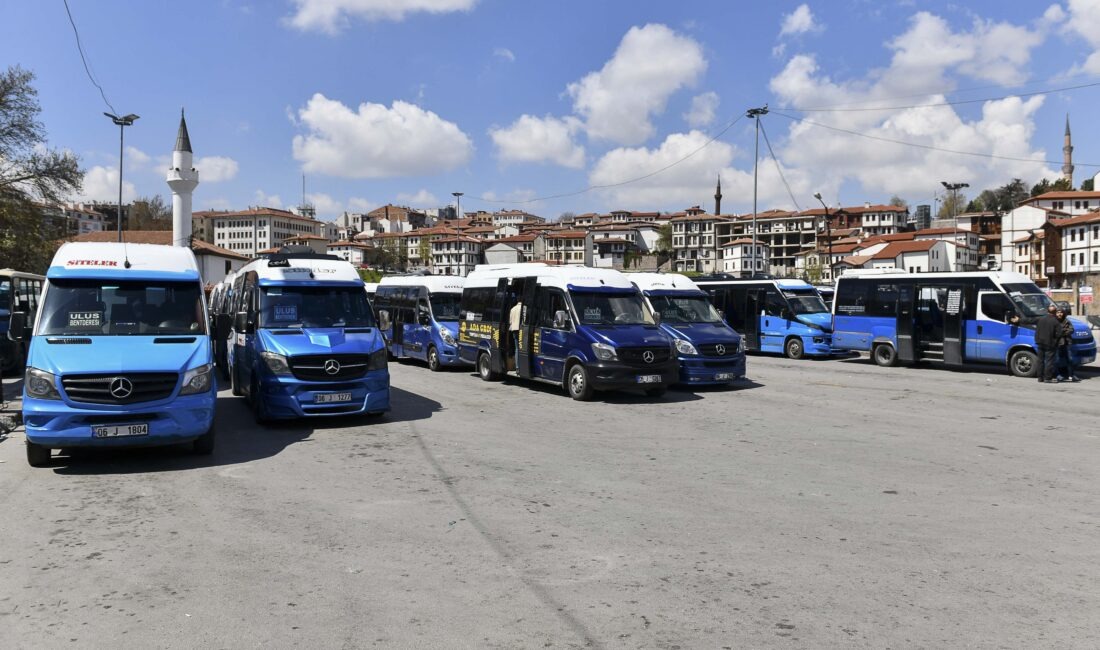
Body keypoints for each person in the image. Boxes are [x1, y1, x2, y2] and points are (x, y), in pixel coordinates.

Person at [1053, 308, 1081, 382]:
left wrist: (1062, 332)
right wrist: (1063, 331)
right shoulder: (1053, 321)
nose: (1060, 314)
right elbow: (1053, 332)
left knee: (1070, 359)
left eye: (1061, 312)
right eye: (1058, 312)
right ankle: (1057, 375)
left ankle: (1071, 375)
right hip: (1058, 343)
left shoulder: (1066, 321)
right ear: (1055, 313)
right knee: (1057, 360)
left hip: (1067, 343)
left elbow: (1071, 330)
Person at [1034, 303, 1059, 383]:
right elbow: (1060, 333)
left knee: (1040, 360)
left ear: (1047, 311)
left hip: (1040, 342)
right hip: (1050, 343)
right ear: (1055, 312)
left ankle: (1040, 377)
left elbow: (1029, 321)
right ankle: (1047, 378)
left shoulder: (1040, 319)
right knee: (1049, 361)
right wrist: (1055, 340)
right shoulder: (1055, 321)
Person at [508, 299, 522, 368]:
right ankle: (520, 366)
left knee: (517, 348)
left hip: (514, 330)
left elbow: (510, 321)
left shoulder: (512, 309)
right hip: (521, 330)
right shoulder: (523, 308)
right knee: (521, 348)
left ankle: (517, 367)